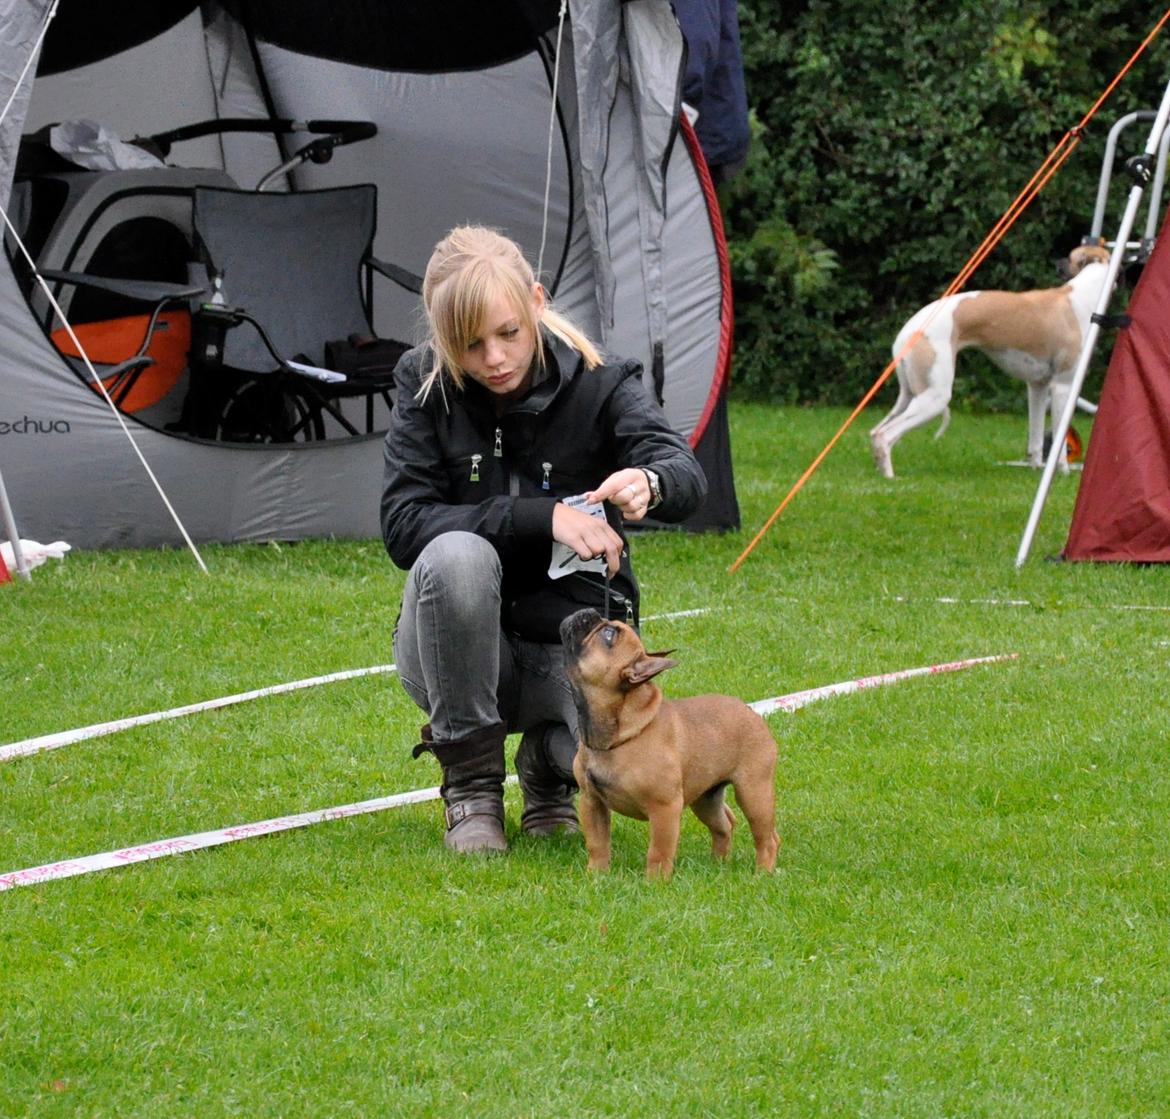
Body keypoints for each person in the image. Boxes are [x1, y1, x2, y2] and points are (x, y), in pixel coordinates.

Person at [381, 225, 707, 854]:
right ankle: (472, 790)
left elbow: (685, 472)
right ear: (444, 339)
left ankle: (547, 771)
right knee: (455, 556)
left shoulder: (603, 380)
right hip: (462, 659)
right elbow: (402, 525)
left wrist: (651, 480)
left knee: (605, 756)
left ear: (537, 301)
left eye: (508, 333)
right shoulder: (422, 384)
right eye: (470, 345)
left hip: (577, 661)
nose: (494, 359)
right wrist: (542, 516)